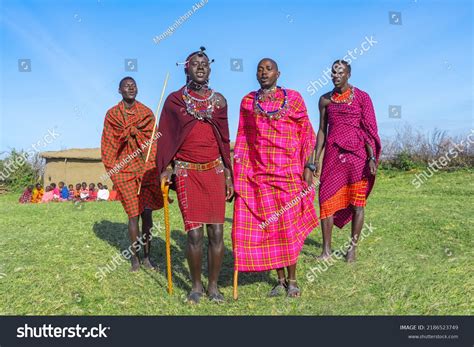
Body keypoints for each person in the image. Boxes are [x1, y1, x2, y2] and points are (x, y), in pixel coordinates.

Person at [232, 58, 319, 298]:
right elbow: (243, 139)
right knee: (271, 228)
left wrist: (309, 166)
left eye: (268, 69)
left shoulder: (294, 99)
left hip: (289, 174)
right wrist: (239, 174)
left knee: (288, 228)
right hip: (260, 175)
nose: (263, 73)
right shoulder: (248, 102)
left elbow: (307, 134)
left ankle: (292, 281)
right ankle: (279, 281)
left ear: (278, 73)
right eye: (259, 69)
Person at [156, 47, 233, 304]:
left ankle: (213, 287)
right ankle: (196, 286)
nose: (200, 67)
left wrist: (229, 175)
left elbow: (224, 140)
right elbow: (165, 138)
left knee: (217, 233)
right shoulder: (175, 102)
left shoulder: (220, 101)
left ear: (210, 69)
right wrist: (166, 167)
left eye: (205, 64)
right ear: (185, 68)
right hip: (187, 171)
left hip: (215, 170)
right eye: (195, 63)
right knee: (194, 235)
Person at [315, 60, 381, 262]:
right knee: (325, 199)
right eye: (333, 73)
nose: (335, 76)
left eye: (340, 72)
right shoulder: (325, 100)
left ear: (348, 75)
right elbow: (322, 130)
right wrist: (315, 158)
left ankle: (352, 249)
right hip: (333, 156)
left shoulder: (362, 97)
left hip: (357, 157)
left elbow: (369, 130)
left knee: (357, 203)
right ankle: (326, 251)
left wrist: (371, 157)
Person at [101, 76, 163, 271]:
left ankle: (147, 256)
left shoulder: (146, 113)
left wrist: (151, 163)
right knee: (133, 214)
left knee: (147, 213)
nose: (131, 88)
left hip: (144, 167)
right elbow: (108, 143)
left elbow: (155, 140)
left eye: (133, 85)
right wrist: (115, 169)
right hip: (125, 168)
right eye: (126, 86)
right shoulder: (112, 115)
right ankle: (134, 258)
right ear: (119, 90)